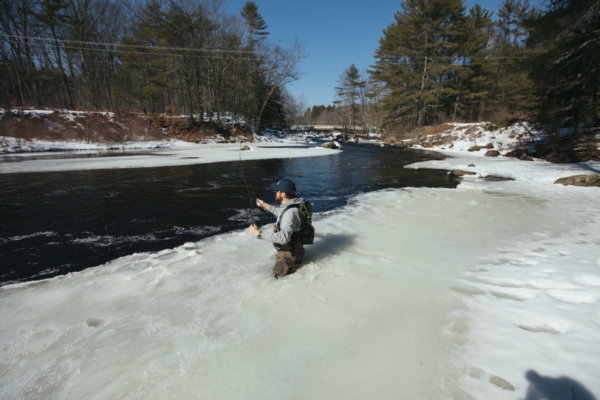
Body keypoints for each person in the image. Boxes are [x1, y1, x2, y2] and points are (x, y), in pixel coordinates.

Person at [248, 178, 306, 278]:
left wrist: (258, 233)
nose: (275, 193)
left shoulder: (291, 212)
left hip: (290, 256)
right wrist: (264, 205)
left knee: (277, 277)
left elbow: (283, 238)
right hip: (287, 251)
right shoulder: (290, 204)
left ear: (283, 194)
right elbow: (280, 212)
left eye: (277, 191)